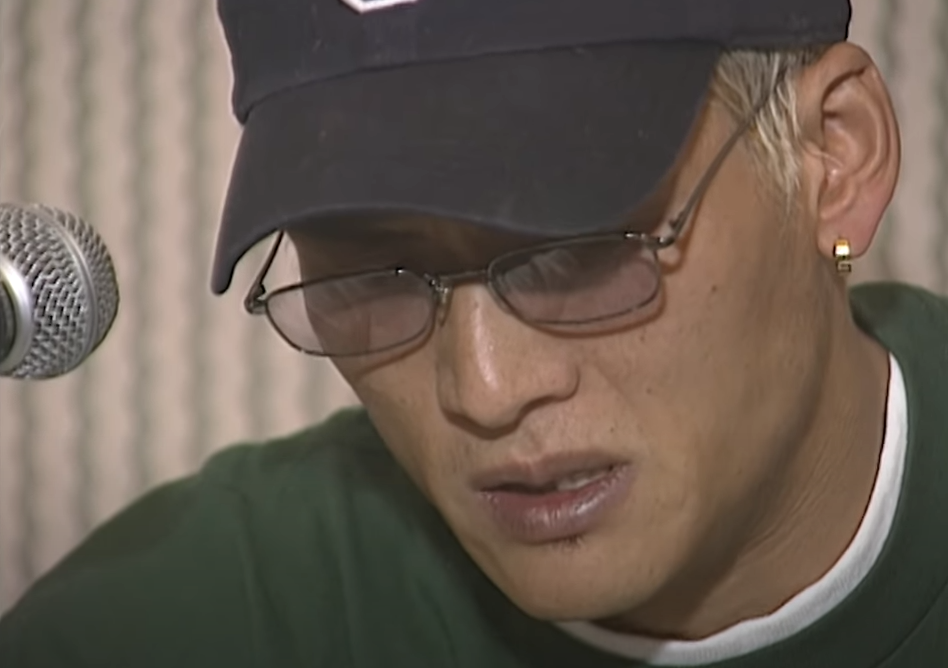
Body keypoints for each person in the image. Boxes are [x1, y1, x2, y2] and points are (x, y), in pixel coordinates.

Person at [1, 0, 946, 665]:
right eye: (371, 272)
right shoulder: (180, 623)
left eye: (579, 252)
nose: (485, 390)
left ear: (833, 155)